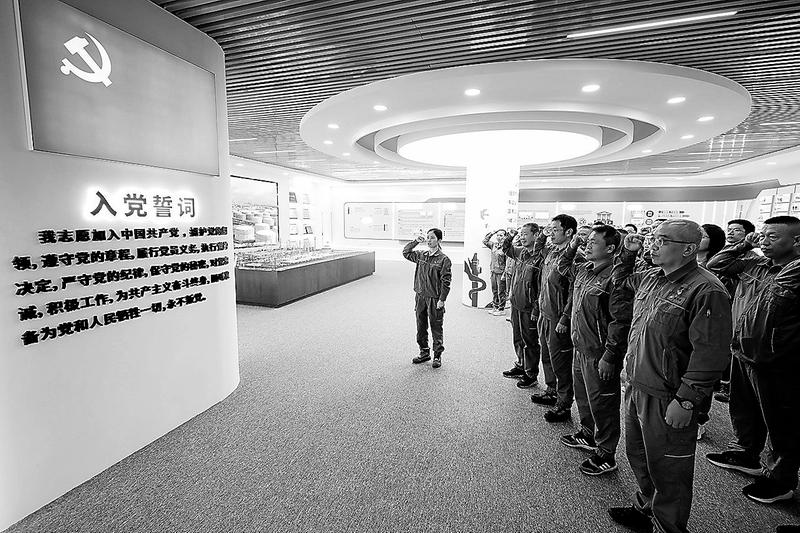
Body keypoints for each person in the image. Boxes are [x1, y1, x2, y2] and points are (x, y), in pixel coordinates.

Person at [607, 219, 732, 533]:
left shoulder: (706, 289)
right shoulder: (652, 277)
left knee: (669, 467)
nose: (653, 244)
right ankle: (647, 506)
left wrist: (687, 400)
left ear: (688, 249)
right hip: (637, 383)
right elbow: (619, 284)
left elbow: (711, 352)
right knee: (639, 455)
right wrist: (627, 254)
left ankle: (669, 525)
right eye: (653, 238)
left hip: (669, 394)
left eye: (662, 240)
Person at [705, 216, 800, 504]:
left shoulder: (794, 272)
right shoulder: (756, 264)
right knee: (743, 408)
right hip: (743, 349)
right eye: (763, 235)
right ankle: (746, 453)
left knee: (780, 421)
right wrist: (743, 244)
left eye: (773, 237)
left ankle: (780, 480)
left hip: (776, 358)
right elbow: (716, 265)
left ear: (796, 241)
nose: (764, 241)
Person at [558, 225, 631, 476]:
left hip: (599, 353)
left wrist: (610, 356)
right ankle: (587, 434)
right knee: (584, 397)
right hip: (581, 346)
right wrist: (573, 245)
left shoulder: (615, 278)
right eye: (587, 241)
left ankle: (606, 453)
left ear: (610, 248)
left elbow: (620, 321)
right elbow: (562, 266)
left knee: (603, 403)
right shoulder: (584, 269)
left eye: (593, 242)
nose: (587, 245)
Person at [531, 214, 583, 422]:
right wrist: (538, 308)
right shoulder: (551, 251)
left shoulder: (575, 257)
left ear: (569, 232)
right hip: (545, 312)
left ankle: (563, 404)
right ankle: (551, 390)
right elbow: (537, 252)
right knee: (547, 355)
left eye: (555, 230)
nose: (551, 233)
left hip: (558, 317)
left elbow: (573, 292)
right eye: (550, 229)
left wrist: (565, 318)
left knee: (561, 361)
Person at [501, 223, 543, 388]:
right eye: (521, 234)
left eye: (526, 234)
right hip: (516, 303)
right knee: (518, 337)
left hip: (529, 307)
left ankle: (530, 374)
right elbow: (506, 248)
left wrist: (536, 308)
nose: (522, 237)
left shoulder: (540, 257)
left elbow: (540, 287)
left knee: (530, 341)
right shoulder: (520, 252)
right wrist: (511, 235)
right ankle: (521, 365)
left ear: (536, 235)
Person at [402, 228, 452, 368]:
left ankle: (437, 355)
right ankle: (424, 351)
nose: (429, 240)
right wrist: (415, 242)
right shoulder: (421, 255)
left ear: (439, 240)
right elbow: (406, 252)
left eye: (432, 237)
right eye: (427, 237)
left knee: (436, 327)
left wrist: (442, 299)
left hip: (434, 299)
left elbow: (446, 282)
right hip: (420, 297)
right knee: (421, 325)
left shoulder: (444, 259)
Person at [483, 229, 508, 315]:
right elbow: (485, 241)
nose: (499, 237)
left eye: (501, 235)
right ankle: (495, 307)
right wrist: (492, 233)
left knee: (501, 291)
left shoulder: (506, 247)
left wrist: (505, 273)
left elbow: (508, 261)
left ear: (505, 237)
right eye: (498, 235)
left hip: (501, 272)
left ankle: (501, 309)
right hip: (493, 271)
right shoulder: (494, 245)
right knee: (494, 290)